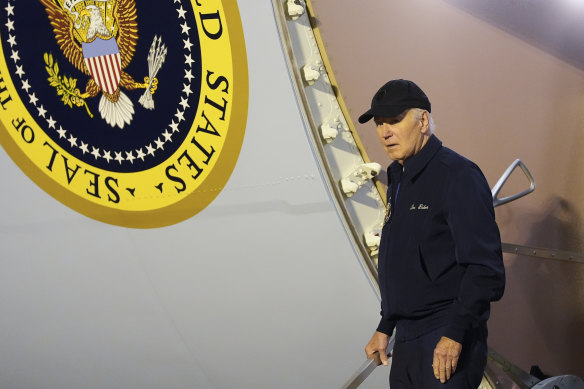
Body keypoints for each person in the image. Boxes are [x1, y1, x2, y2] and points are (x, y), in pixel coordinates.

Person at [360, 79, 505, 389]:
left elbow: (485, 268)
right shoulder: (398, 175)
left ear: (422, 120)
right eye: (379, 123)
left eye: (395, 120)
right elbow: (401, 258)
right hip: (408, 339)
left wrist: (454, 334)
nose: (385, 132)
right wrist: (386, 324)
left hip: (446, 333)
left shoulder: (458, 175)